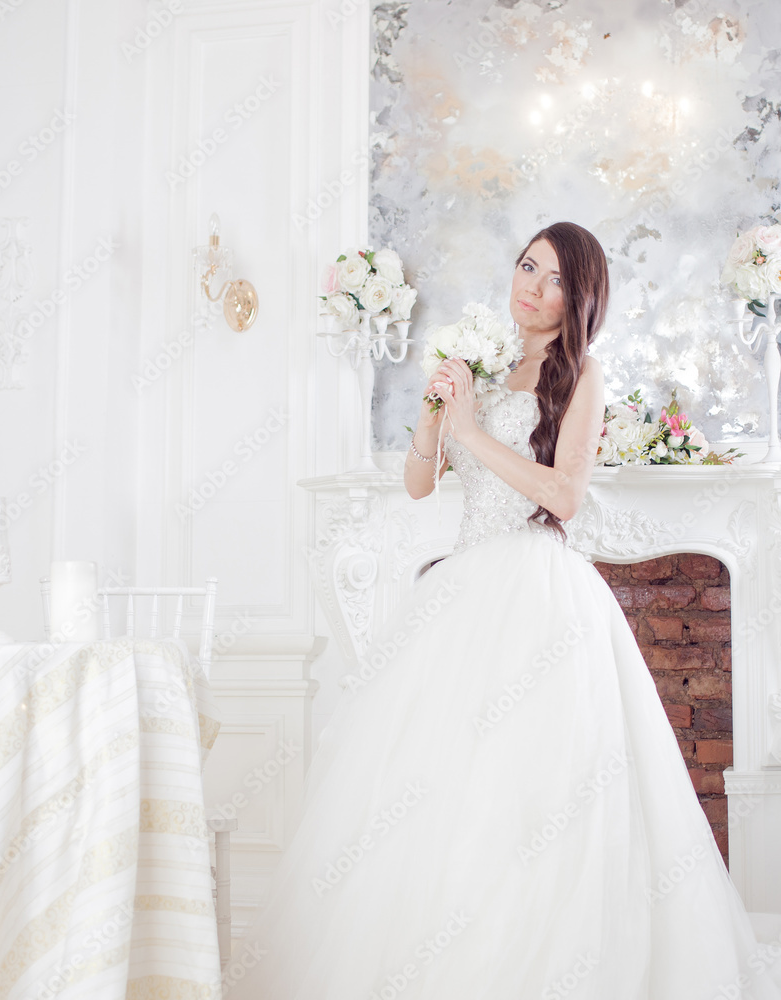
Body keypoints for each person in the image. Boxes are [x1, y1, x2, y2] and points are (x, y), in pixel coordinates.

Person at [223, 222, 781, 999]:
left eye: (554, 279)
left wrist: (471, 431)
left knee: (531, 790)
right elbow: (420, 484)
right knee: (435, 788)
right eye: (527, 266)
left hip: (538, 589)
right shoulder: (485, 366)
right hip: (459, 592)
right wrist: (435, 415)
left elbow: (565, 495)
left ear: (578, 298)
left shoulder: (580, 374)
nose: (532, 287)